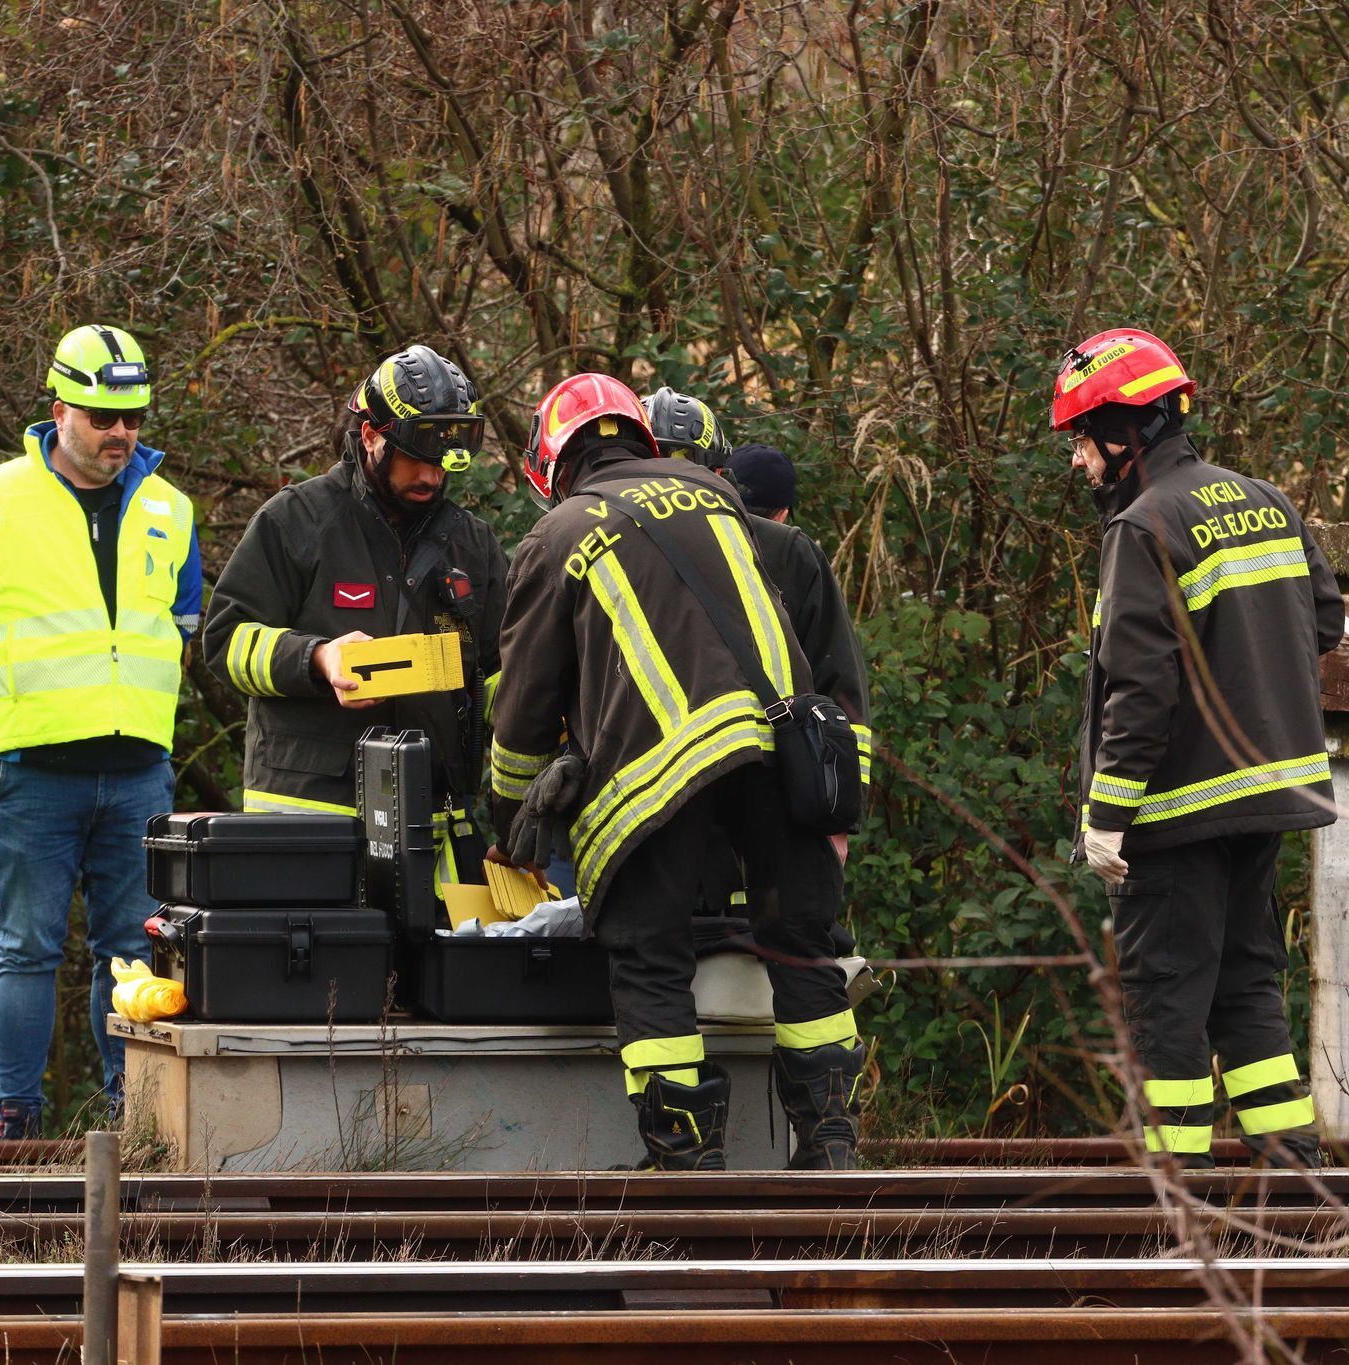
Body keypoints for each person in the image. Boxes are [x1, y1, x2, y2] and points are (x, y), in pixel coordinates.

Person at [491, 374, 863, 1171]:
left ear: (551, 464)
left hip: (660, 773)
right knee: (802, 945)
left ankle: (687, 1163)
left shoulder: (555, 535)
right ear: (642, 438)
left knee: (649, 955)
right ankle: (830, 1147)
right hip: (780, 748)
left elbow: (524, 707)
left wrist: (508, 814)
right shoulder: (715, 494)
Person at [1054, 326, 1343, 1169]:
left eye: (1082, 441)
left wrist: (1106, 815)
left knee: (1163, 997)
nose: (1079, 464)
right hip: (1267, 798)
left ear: (1124, 429)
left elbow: (1140, 690)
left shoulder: (1142, 526)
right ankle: (1295, 1172)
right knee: (1247, 980)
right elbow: (1323, 620)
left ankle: (1172, 1196)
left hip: (1175, 810)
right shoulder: (1265, 498)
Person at [0, 325, 203, 1139]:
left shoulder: (170, 508)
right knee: (26, 949)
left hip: (138, 767)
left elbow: (180, 626)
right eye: (100, 416)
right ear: (59, 411)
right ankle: (18, 1122)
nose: (121, 432)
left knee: (132, 951)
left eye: (133, 417)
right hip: (35, 766)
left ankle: (132, 1121)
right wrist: (20, 701)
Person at [202, 344, 506, 881]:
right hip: (308, 825)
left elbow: (500, 672)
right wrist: (317, 658)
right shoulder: (296, 520)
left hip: (431, 828)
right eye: (416, 455)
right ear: (370, 435)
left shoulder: (472, 545)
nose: (431, 477)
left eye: (442, 460)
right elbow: (226, 640)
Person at [641, 390, 873, 871]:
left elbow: (838, 682)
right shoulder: (601, 548)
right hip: (658, 811)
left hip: (756, 802)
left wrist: (838, 814)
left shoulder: (785, 551)